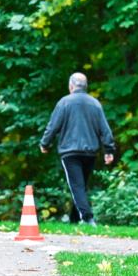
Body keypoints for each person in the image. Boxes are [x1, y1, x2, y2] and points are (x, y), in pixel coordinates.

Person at [39, 72, 116, 226]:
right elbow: (105, 129)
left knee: (77, 186)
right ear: (86, 86)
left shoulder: (64, 102)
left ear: (71, 86)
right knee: (81, 186)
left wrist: (45, 143)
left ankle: (87, 218)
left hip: (70, 152)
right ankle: (74, 220)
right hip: (90, 152)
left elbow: (53, 126)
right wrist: (109, 150)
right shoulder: (95, 103)